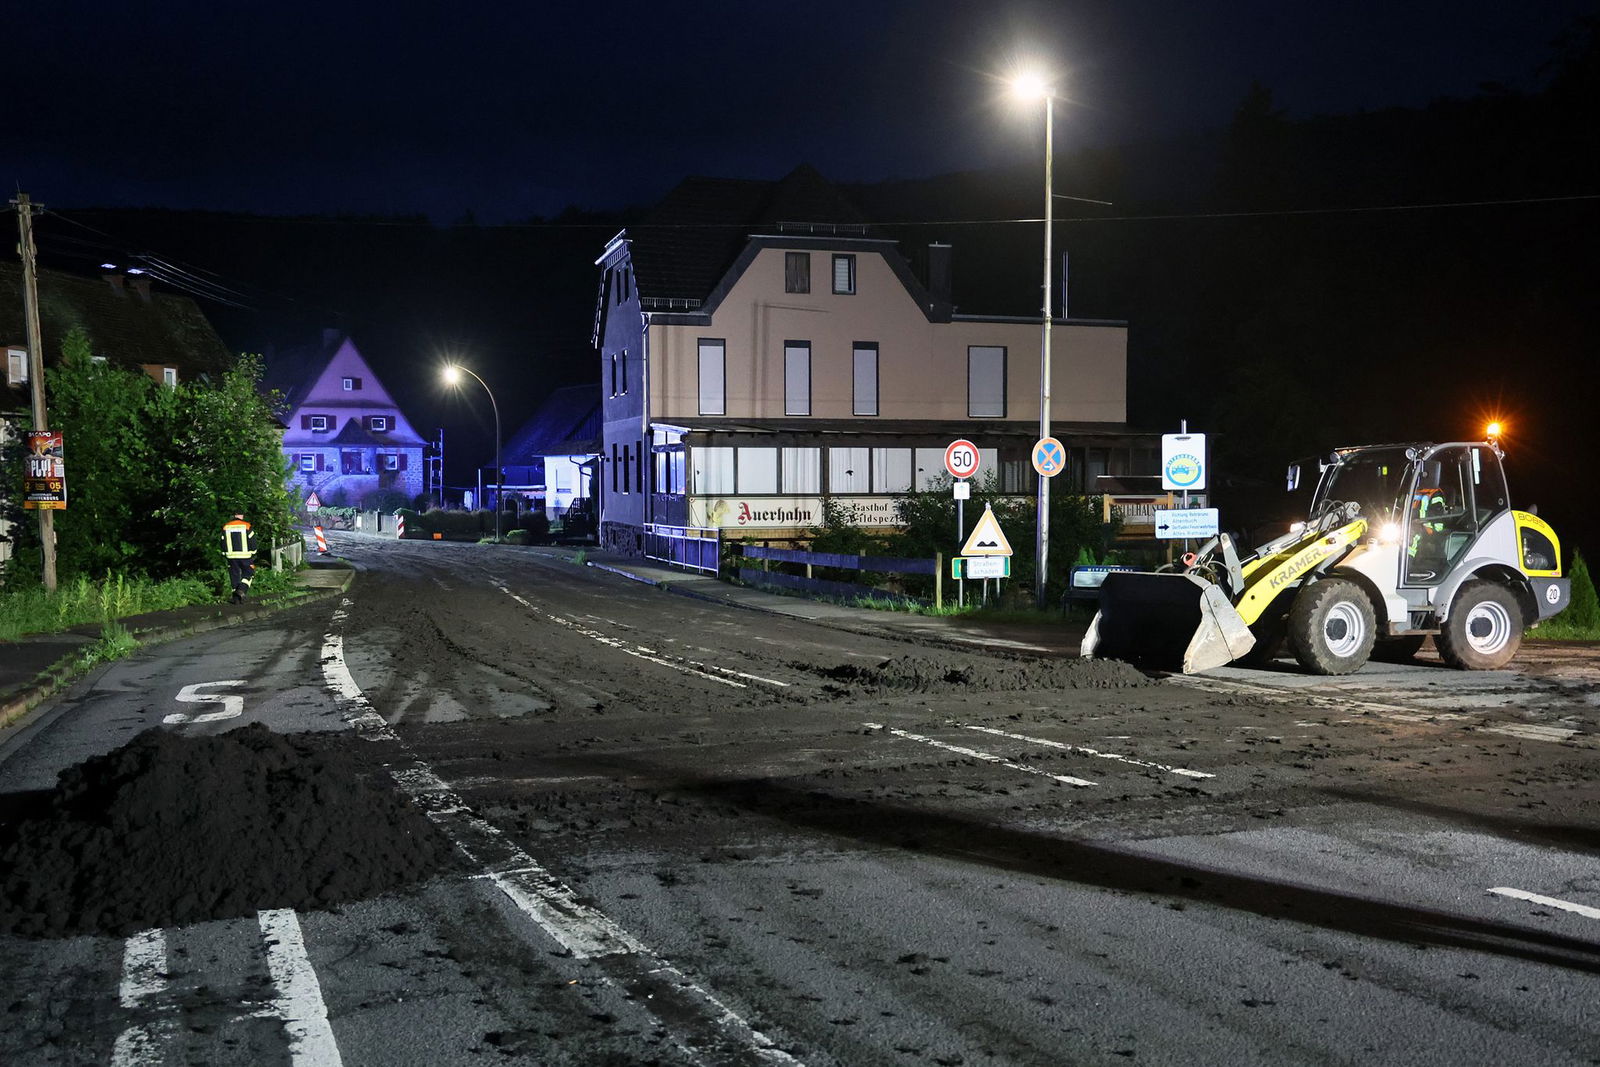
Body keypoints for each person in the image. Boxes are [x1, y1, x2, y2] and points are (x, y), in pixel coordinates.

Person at [222, 513, 258, 604]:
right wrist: (253, 552)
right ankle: (241, 589)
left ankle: (236, 599)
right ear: (241, 516)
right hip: (245, 556)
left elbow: (222, 541)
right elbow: (252, 541)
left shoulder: (226, 527)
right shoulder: (247, 526)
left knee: (234, 576)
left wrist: (225, 553)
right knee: (249, 573)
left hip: (231, 556)